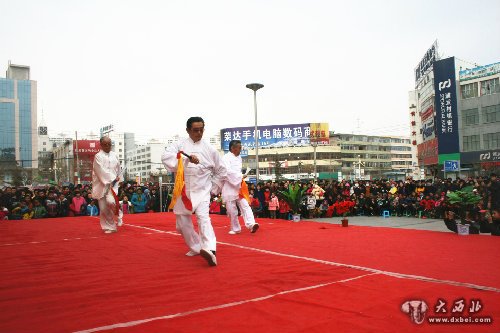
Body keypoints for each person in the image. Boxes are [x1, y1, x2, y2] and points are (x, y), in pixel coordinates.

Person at [161, 116, 227, 267]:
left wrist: (213, 188)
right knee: (182, 223)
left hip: (203, 189)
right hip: (183, 190)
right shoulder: (179, 144)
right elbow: (165, 158)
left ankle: (210, 250)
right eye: (195, 130)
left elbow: (222, 171)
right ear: (188, 130)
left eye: (201, 130)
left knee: (204, 218)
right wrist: (186, 159)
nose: (199, 133)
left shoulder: (210, 149)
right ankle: (196, 247)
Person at [221, 140, 259, 234]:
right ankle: (235, 228)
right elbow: (227, 172)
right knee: (231, 209)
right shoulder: (226, 158)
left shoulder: (239, 158)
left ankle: (251, 224)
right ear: (233, 148)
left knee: (245, 205)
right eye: (239, 148)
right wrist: (240, 176)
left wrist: (241, 176)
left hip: (239, 185)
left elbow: (236, 172)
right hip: (229, 186)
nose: (241, 150)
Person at [92, 136, 122, 234]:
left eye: (109, 144)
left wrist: (119, 178)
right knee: (103, 208)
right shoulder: (98, 156)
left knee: (111, 202)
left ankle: (119, 215)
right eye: (105, 144)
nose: (107, 146)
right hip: (101, 184)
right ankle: (110, 226)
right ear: (101, 145)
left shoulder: (115, 155)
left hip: (112, 185)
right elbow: (99, 170)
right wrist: (110, 179)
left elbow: (118, 168)